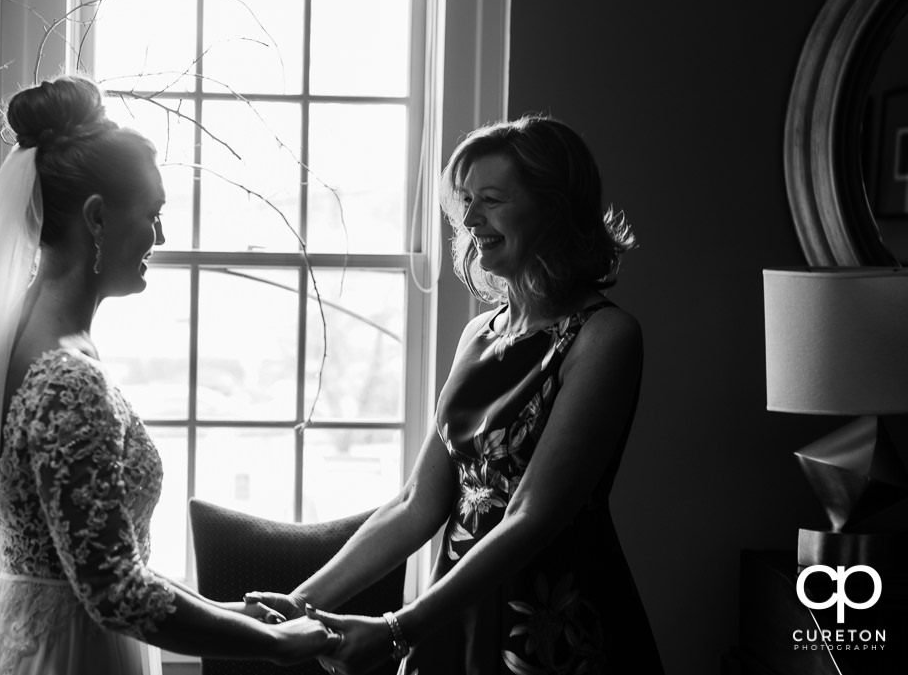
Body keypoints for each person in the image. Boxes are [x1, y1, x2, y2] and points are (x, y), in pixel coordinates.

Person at [0, 75, 340, 675]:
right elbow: (115, 593)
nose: (161, 236)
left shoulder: (38, 341)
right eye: (153, 216)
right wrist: (274, 646)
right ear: (98, 218)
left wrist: (239, 615)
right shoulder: (66, 380)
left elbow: (102, 557)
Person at [245, 117, 664, 674]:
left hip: (552, 630)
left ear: (555, 209)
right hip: (451, 612)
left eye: (490, 200)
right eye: (465, 200)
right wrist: (302, 603)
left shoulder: (605, 337)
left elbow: (531, 516)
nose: (469, 220)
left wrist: (398, 627)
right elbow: (415, 502)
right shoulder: (479, 334)